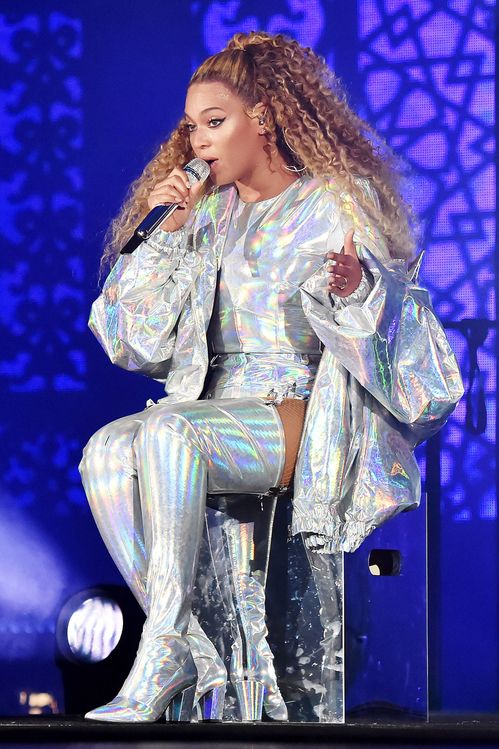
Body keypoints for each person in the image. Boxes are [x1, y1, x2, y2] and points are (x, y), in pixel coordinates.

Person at [79, 31, 463, 723]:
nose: (198, 140)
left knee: (169, 432)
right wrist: (164, 234)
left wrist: (353, 289)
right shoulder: (202, 217)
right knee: (106, 451)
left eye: (215, 122)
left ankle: (163, 644)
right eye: (190, 126)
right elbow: (129, 342)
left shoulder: (331, 201)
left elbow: (396, 319)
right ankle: (185, 641)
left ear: (264, 117)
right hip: (206, 405)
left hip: (293, 408)